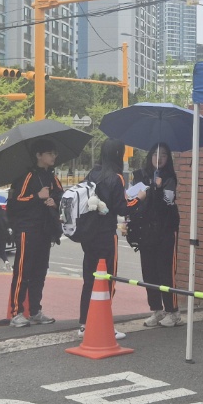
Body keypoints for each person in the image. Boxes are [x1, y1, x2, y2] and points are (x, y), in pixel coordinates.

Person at [76, 139, 131, 338]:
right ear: (118, 154)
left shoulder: (93, 173)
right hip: (106, 234)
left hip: (89, 233)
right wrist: (138, 199)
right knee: (108, 279)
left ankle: (84, 324)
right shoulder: (116, 177)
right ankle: (103, 324)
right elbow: (122, 208)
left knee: (89, 279)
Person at [6, 138, 63, 327]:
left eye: (54, 153)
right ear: (39, 155)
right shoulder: (27, 176)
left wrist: (54, 202)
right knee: (22, 271)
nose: (53, 157)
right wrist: (37, 196)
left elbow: (61, 196)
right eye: (50, 153)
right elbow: (15, 203)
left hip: (45, 230)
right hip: (27, 229)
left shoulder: (53, 177)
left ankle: (35, 311)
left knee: (40, 271)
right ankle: (16, 312)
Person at [132, 142, 181, 328]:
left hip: (166, 230)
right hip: (146, 231)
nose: (158, 158)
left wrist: (158, 188)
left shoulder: (169, 178)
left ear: (168, 159)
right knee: (149, 271)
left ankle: (173, 311)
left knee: (165, 271)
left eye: (164, 155)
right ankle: (157, 310)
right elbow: (132, 200)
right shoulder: (141, 176)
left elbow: (167, 203)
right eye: (155, 154)